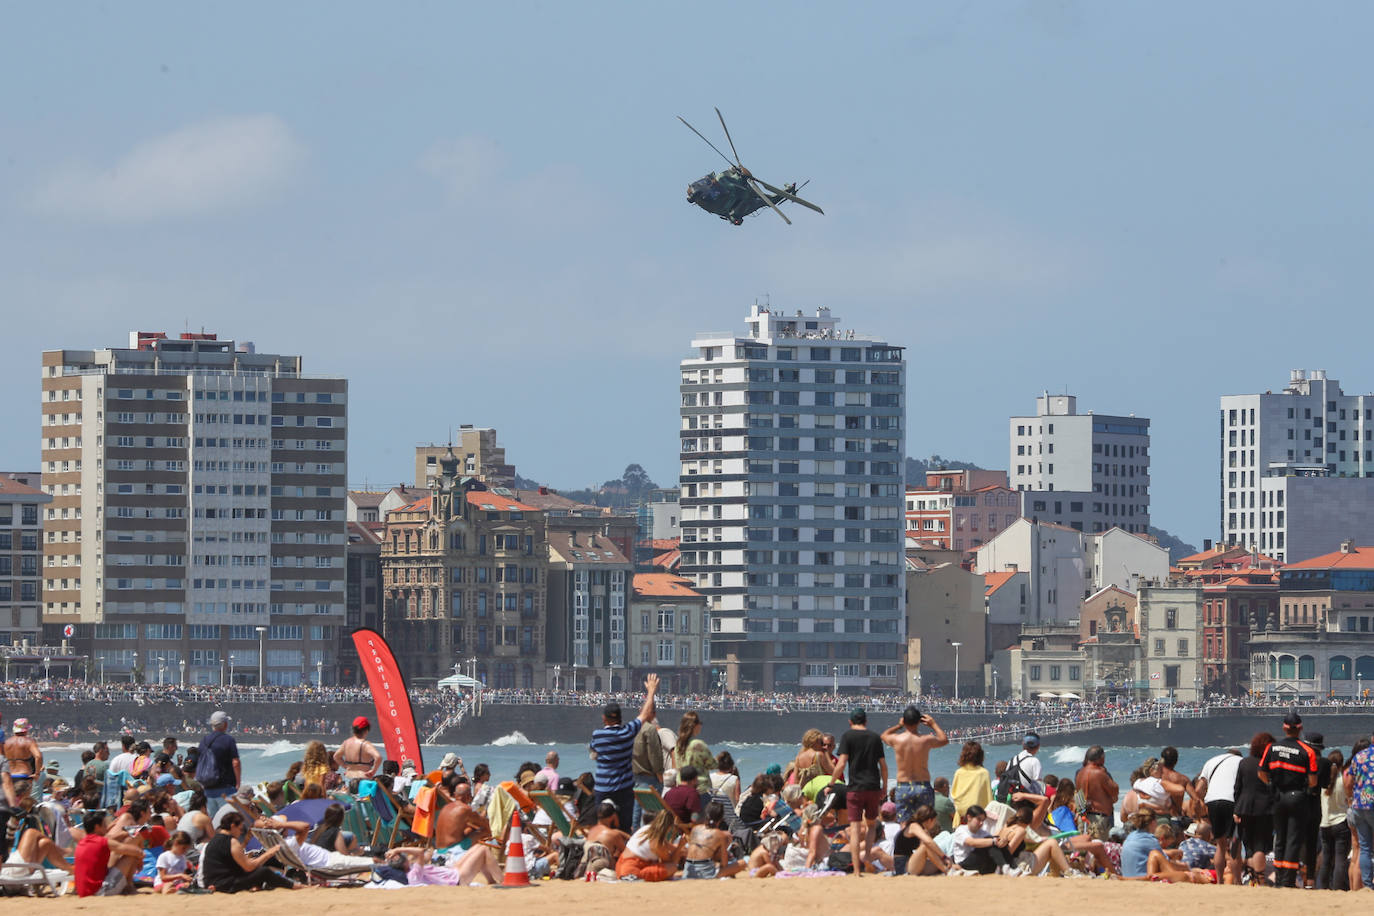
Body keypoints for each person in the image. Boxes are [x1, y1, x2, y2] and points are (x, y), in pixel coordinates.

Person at [1260, 710, 1318, 888]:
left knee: (1280, 838)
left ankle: (1278, 877)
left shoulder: (1272, 748)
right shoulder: (1308, 751)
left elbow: (1261, 772)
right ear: (1300, 728)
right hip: (1297, 797)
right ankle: (1288, 880)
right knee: (1293, 838)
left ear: (1284, 728)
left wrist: (1271, 784)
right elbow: (1313, 780)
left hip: (1278, 797)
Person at [590, 674, 660, 820]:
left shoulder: (597, 735)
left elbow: (594, 753)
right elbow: (646, 714)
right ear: (620, 718)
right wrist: (651, 691)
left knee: (601, 822)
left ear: (604, 719)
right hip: (623, 789)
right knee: (624, 825)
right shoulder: (627, 732)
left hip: (602, 789)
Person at [833, 708, 888, 877]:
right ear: (866, 721)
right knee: (871, 826)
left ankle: (857, 870)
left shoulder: (847, 736)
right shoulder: (874, 738)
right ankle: (867, 860)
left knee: (855, 829)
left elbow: (842, 763)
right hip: (872, 787)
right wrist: (884, 787)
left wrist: (832, 781)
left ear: (850, 722)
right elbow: (883, 767)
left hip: (855, 788)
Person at [881, 706, 947, 822]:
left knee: (904, 824)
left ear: (904, 721)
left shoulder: (897, 740)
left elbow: (884, 735)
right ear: (919, 722)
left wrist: (899, 725)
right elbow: (944, 739)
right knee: (926, 823)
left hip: (904, 785)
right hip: (923, 785)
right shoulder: (925, 740)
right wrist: (933, 724)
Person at [201, 810, 296, 892]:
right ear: (233, 826)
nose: (241, 832)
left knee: (258, 869)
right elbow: (249, 867)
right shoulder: (232, 842)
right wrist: (269, 853)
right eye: (240, 828)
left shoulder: (213, 840)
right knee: (264, 872)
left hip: (212, 883)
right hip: (225, 885)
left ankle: (257, 886)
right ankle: (294, 886)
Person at [1195, 746, 1242, 883]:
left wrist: (1202, 812)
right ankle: (1237, 881)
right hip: (1232, 801)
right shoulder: (1241, 762)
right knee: (1235, 845)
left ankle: (1220, 881)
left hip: (1213, 801)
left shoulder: (1211, 761)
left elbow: (1198, 790)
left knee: (1220, 845)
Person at [1234, 731, 1275, 883]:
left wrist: (1236, 810)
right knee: (1260, 846)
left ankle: (1251, 878)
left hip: (1244, 808)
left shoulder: (1244, 762)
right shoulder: (1269, 764)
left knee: (1249, 846)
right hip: (1264, 809)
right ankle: (1260, 879)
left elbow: (1237, 788)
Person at [73, 809, 144, 897]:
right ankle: (129, 885)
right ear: (97, 827)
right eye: (104, 825)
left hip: (83, 890)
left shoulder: (82, 842)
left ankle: (128, 885)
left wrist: (124, 834)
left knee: (119, 853)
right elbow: (138, 852)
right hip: (100, 890)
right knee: (131, 855)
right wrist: (140, 859)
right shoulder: (102, 842)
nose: (107, 827)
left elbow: (110, 839)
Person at [682, 800, 746, 878]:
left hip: (688, 870)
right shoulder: (719, 834)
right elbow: (724, 863)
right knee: (743, 862)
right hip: (705, 873)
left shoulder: (695, 829)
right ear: (721, 818)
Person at [616, 809, 684, 881]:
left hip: (621, 866)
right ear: (669, 827)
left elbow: (670, 847)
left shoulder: (647, 829)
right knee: (672, 867)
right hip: (632, 872)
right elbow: (671, 861)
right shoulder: (657, 842)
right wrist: (680, 847)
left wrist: (683, 848)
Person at [195, 711, 240, 815]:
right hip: (226, 789)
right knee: (227, 820)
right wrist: (238, 783)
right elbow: (236, 762)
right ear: (225, 724)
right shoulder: (228, 740)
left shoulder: (204, 741)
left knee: (214, 822)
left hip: (208, 789)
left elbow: (200, 761)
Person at [1347, 733, 1374, 890]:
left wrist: (1351, 799)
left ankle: (1368, 886)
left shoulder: (1359, 756)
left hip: (1359, 806)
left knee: (1364, 848)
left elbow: (1349, 782)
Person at [1074, 745, 1118, 840]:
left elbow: (1078, 796)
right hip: (1099, 817)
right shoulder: (1100, 773)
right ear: (1101, 758)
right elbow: (1115, 791)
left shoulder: (1080, 773)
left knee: (1086, 849)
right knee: (1100, 848)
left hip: (1084, 817)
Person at [893, 804, 952, 876]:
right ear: (930, 820)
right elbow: (928, 843)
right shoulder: (913, 826)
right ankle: (946, 871)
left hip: (911, 862)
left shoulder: (922, 830)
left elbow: (930, 851)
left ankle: (952, 868)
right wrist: (944, 856)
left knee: (936, 862)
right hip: (903, 865)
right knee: (926, 846)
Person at [949, 805, 1009, 874]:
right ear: (969, 817)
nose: (981, 823)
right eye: (979, 819)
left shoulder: (982, 832)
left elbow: (994, 840)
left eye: (983, 821)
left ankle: (1006, 866)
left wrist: (1002, 841)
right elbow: (972, 842)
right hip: (964, 863)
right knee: (988, 842)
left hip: (981, 865)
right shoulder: (961, 830)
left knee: (994, 842)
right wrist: (994, 841)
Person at [631, 714, 665, 831]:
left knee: (637, 807)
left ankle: (635, 832)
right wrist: (660, 775)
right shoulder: (650, 729)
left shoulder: (633, 729)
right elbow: (654, 755)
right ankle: (652, 833)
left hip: (636, 774)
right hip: (650, 776)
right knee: (653, 810)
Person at [434, 781, 490, 853]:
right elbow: (485, 823)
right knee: (485, 831)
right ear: (468, 796)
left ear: (455, 795)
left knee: (469, 830)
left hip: (439, 850)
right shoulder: (465, 808)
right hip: (452, 851)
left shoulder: (445, 807)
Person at [582, 800, 630, 876]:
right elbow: (627, 853)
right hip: (604, 870)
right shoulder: (613, 834)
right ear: (613, 816)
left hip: (587, 868)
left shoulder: (591, 831)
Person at [674, 711, 715, 795]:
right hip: (699, 789)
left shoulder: (678, 744)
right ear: (694, 725)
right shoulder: (697, 744)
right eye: (699, 723)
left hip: (681, 787)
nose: (700, 726)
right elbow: (712, 764)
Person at [950, 740, 992, 821]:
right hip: (979, 819)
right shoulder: (984, 773)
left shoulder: (959, 772)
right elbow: (988, 798)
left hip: (962, 818)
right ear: (980, 755)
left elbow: (954, 796)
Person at [1003, 733, 1044, 797]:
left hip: (1011, 798)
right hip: (1026, 800)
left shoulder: (1012, 760)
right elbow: (1038, 785)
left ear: (1023, 744)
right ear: (1038, 746)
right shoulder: (1034, 761)